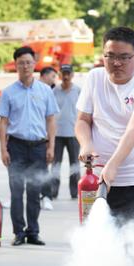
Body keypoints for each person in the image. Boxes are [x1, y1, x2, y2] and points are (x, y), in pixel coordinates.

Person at [75, 26, 134, 266]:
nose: (116, 63)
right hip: (102, 182)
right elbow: (82, 119)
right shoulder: (94, 78)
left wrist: (112, 164)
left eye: (124, 56)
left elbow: (133, 131)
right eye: (110, 55)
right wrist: (86, 144)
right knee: (101, 246)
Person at [0, 46, 58, 246]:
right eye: (21, 62)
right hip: (16, 147)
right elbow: (3, 122)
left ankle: (33, 231)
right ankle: (18, 232)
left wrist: (51, 147)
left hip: (39, 147)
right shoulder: (8, 93)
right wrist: (3, 149)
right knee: (16, 192)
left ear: (35, 64)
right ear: (15, 65)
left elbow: (50, 120)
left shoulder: (45, 91)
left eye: (28, 62)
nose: (25, 66)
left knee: (34, 192)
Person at [51, 64, 81, 200]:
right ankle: (53, 191)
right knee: (56, 164)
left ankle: (75, 192)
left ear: (72, 75)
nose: (66, 76)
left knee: (74, 164)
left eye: (68, 73)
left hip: (74, 133)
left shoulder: (78, 91)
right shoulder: (54, 91)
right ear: (60, 75)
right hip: (57, 134)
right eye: (64, 73)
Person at [39, 66, 59, 209]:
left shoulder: (48, 92)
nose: (54, 80)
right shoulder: (35, 89)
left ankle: (46, 196)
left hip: (43, 138)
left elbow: (51, 119)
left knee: (44, 168)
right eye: (52, 76)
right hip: (29, 138)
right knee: (22, 171)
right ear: (44, 75)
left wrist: (50, 142)